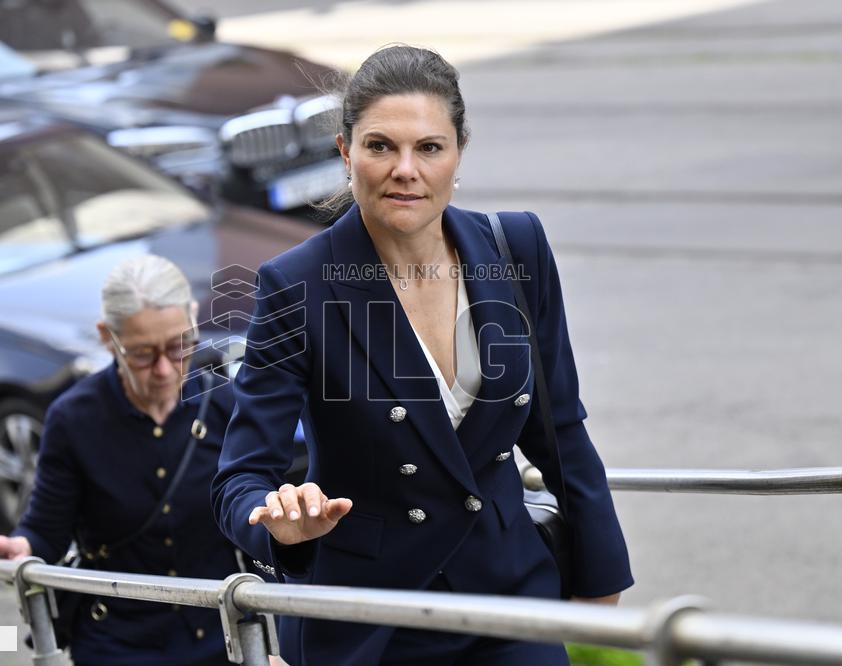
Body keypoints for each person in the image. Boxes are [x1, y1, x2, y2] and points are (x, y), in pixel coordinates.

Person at [211, 45, 634, 666]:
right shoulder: (296, 285)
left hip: (508, 598)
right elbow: (238, 479)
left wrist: (600, 575)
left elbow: (560, 430)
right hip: (371, 621)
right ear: (344, 151)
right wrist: (276, 521)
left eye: (429, 148)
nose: (404, 169)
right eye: (380, 146)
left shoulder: (516, 248)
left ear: (458, 152)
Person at [0, 255, 245, 666]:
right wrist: (17, 546)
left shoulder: (225, 403)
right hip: (117, 644)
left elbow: (257, 518)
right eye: (143, 354)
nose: (165, 370)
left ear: (192, 318)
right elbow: (46, 530)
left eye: (179, 345)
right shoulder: (74, 418)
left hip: (220, 638)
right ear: (107, 338)